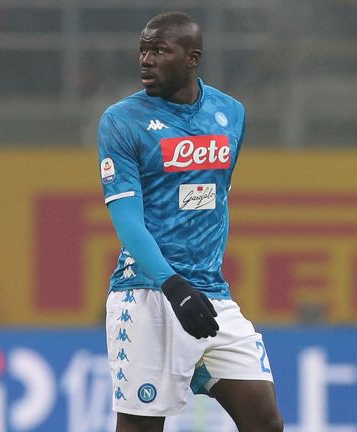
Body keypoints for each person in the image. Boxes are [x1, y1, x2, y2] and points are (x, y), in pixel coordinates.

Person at [96, 12, 283, 432]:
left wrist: (194, 282)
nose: (146, 59)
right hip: (147, 293)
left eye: (160, 50)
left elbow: (216, 198)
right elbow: (126, 219)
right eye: (143, 49)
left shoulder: (230, 113)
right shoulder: (122, 121)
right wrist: (172, 283)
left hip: (210, 294)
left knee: (265, 420)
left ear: (192, 58)